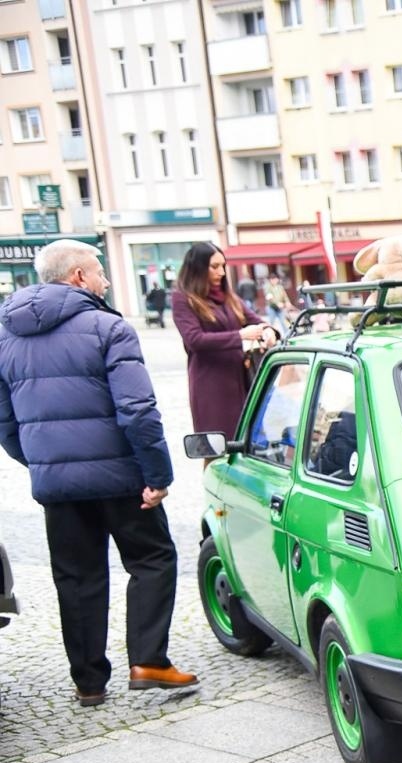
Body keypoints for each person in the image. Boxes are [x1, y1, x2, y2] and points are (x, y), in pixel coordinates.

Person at [0, 239, 198, 705]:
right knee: (152, 560)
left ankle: (88, 682)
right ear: (77, 278)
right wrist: (157, 475)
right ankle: (149, 660)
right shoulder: (108, 327)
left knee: (76, 576)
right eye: (99, 271)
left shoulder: (6, 334)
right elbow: (138, 411)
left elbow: (5, 422)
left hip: (57, 485)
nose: (106, 280)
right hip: (120, 478)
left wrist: (44, 464)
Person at [172, 242, 275, 440]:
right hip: (210, 384)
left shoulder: (229, 296)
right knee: (216, 447)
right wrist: (240, 335)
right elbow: (195, 340)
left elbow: (256, 321)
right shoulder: (183, 298)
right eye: (214, 267)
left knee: (245, 445)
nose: (221, 272)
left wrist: (269, 330)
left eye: (223, 266)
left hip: (240, 379)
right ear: (198, 268)